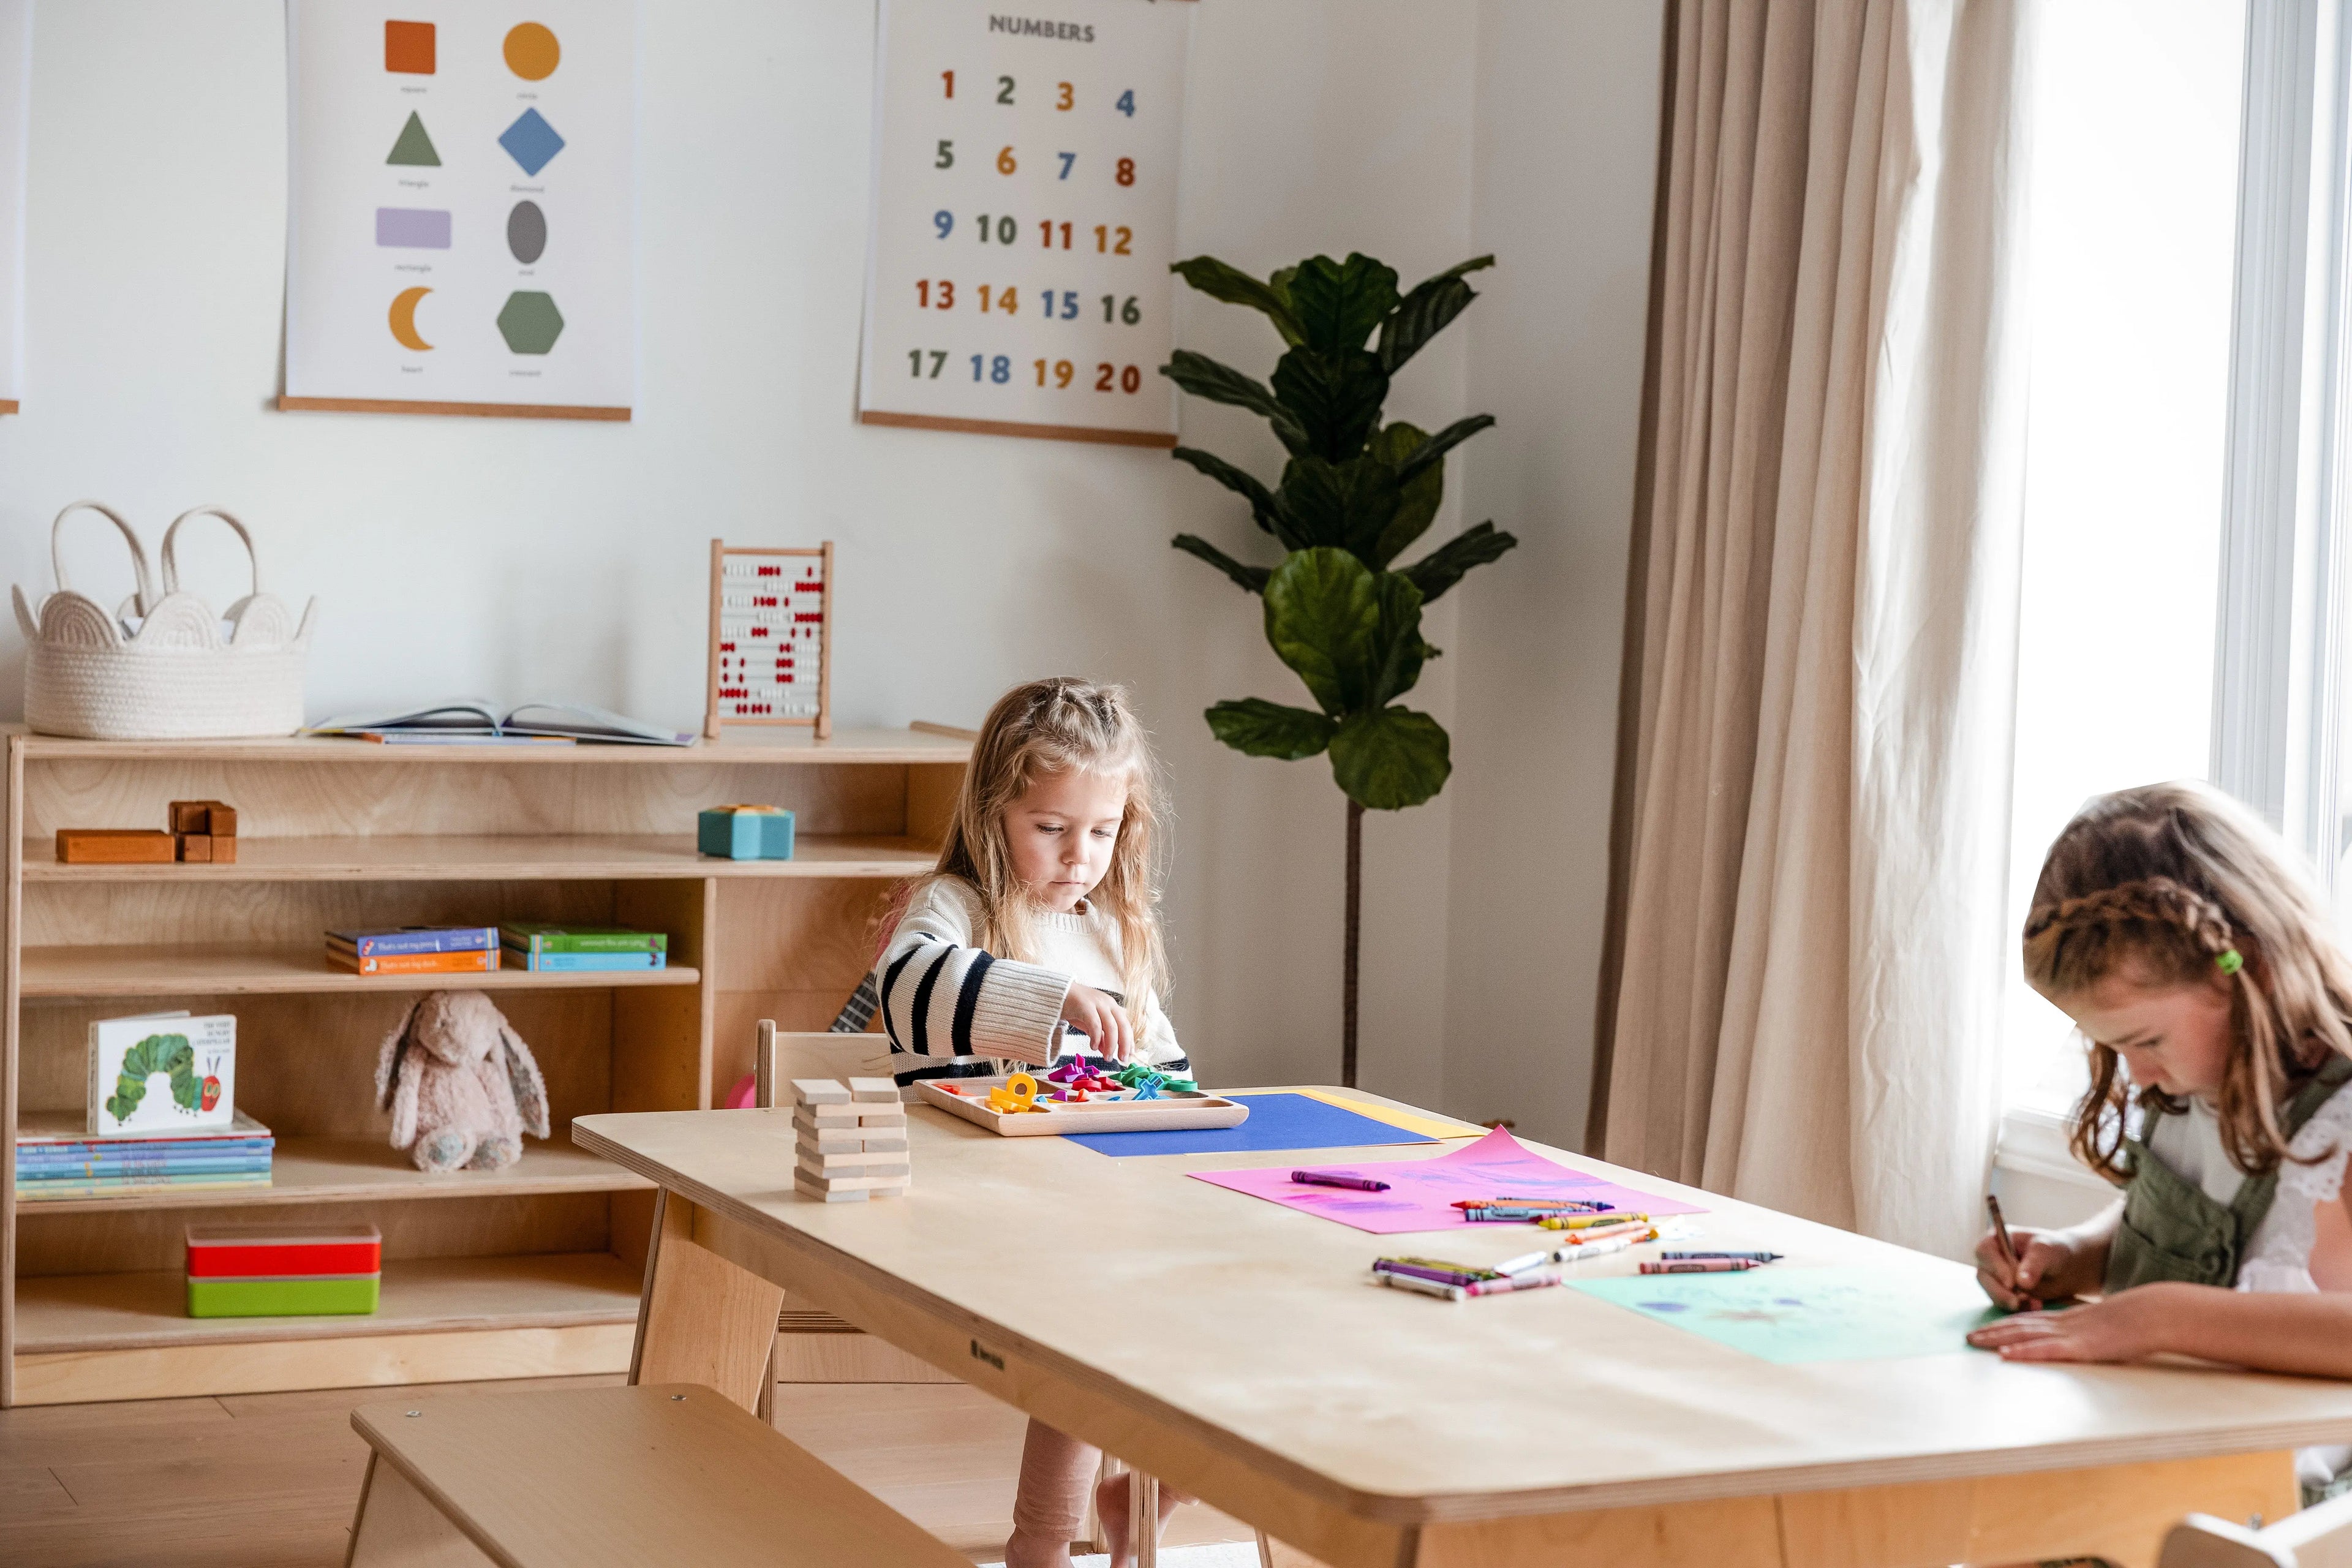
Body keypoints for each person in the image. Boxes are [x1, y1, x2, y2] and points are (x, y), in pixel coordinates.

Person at [872, 676, 1189, 1567]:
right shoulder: (955, 906)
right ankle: (1042, 1542)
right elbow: (907, 992)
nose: (1079, 857)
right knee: (1087, 1318)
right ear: (993, 812)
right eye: (1050, 829)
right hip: (971, 1201)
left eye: (1102, 831)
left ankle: (1144, 1496)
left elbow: (1161, 1072)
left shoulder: (1115, 927)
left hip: (1083, 1206)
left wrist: (1178, 1126)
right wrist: (1058, 1001)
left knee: (1234, 1303)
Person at [1969, 781, 2352, 1499]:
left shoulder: (2336, 1119)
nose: (2139, 1071)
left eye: (2146, 1039)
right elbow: (2183, 1206)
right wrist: (2075, 1255)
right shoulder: (2191, 1082)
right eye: (2111, 1045)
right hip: (2143, 1461)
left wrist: (2158, 1316)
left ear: (2248, 969)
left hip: (2263, 1508)